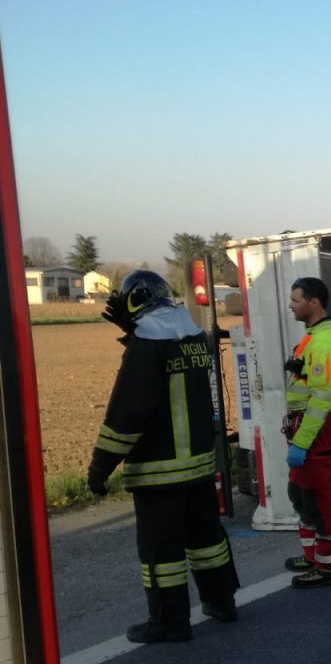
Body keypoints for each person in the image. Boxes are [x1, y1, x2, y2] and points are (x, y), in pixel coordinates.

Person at [89, 270, 240, 643]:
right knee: (206, 536)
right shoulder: (192, 336)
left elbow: (128, 414)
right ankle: (222, 601)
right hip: (200, 466)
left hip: (159, 472)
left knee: (162, 550)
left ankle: (170, 621)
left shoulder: (146, 346)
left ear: (134, 301)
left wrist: (100, 466)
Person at [283, 277, 331, 588]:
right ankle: (312, 556)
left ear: (314, 303)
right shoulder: (315, 336)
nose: (291, 305)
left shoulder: (324, 340)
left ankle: (328, 567)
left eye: (296, 300)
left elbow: (321, 398)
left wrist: (302, 441)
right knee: (300, 492)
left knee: (317, 495)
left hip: (315, 425)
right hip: (307, 424)